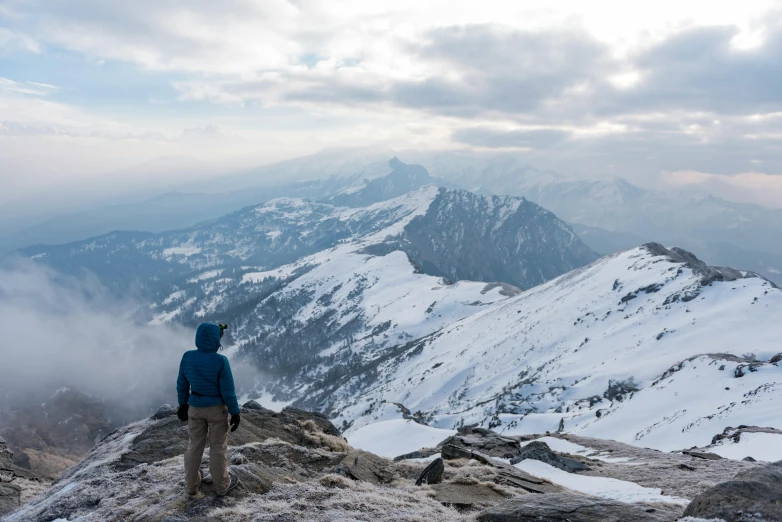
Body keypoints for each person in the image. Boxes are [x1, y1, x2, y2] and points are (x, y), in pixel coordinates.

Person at [177, 322, 241, 496]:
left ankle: (191, 486)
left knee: (194, 446)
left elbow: (182, 384)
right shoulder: (220, 361)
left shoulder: (187, 357)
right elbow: (228, 391)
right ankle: (222, 485)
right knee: (217, 447)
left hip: (195, 408)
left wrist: (183, 404)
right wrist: (235, 412)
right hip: (216, 410)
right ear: (215, 340)